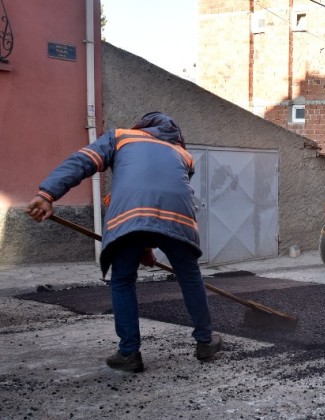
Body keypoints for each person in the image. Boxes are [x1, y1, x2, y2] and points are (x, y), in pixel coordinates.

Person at [27, 112, 222, 373]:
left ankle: (129, 353)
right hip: (179, 218)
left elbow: (83, 161)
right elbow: (161, 197)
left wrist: (47, 193)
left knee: (123, 280)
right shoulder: (183, 154)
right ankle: (206, 342)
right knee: (189, 277)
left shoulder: (121, 136)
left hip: (129, 216)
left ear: (142, 126)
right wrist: (147, 247)